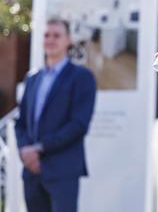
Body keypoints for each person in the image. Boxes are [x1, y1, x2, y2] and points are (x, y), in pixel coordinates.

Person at [15, 18, 97, 212]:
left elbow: (79, 124)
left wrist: (39, 148)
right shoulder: (32, 78)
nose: (50, 40)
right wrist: (25, 151)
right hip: (31, 173)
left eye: (56, 35)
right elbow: (21, 123)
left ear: (68, 40)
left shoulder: (82, 77)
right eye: (46, 35)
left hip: (62, 171)